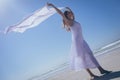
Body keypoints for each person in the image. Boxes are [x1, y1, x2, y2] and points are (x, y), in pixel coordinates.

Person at [47, 3, 111, 80]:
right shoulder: (69, 22)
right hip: (77, 43)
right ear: (66, 15)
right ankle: (91, 75)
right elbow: (60, 13)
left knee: (90, 54)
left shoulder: (73, 20)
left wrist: (70, 9)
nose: (71, 13)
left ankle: (101, 70)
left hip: (82, 41)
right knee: (82, 58)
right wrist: (52, 6)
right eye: (69, 13)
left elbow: (73, 14)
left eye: (70, 13)